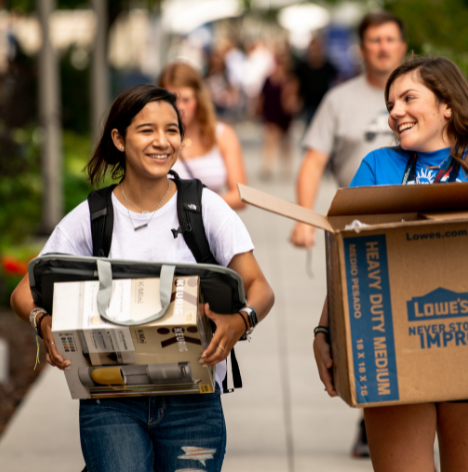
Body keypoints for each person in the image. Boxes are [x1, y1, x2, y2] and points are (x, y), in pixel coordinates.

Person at [10, 84, 275, 472]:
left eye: (172, 130)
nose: (162, 141)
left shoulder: (204, 208)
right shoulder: (94, 216)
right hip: (110, 402)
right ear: (119, 139)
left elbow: (259, 287)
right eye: (147, 130)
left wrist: (241, 321)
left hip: (194, 404)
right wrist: (43, 322)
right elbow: (23, 292)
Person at [313, 56, 468, 472]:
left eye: (409, 98)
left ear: (448, 104)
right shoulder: (378, 166)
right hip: (390, 349)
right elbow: (349, 259)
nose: (396, 113)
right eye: (390, 104)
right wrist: (325, 330)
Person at [290, 11, 408, 458]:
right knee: (366, 326)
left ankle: (399, 418)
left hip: (411, 232)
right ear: (362, 49)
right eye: (374, 40)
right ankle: (372, 417)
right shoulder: (340, 100)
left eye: (390, 39)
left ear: (402, 46)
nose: (382, 47)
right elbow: (313, 162)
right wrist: (303, 218)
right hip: (358, 232)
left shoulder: (421, 95)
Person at [158, 62, 247, 211]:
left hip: (209, 228)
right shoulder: (154, 138)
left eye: (186, 100)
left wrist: (197, 204)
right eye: (171, 100)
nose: (179, 108)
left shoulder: (223, 135)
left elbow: (240, 195)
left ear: (199, 99)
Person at [258, 48, 299, 180]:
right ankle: (267, 167)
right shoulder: (269, 79)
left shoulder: (290, 80)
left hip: (284, 115)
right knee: (270, 142)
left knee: (285, 143)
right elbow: (262, 96)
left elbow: (292, 99)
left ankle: (285, 169)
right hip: (271, 113)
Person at [294, 36, 338, 128]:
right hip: (308, 104)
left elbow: (337, 80)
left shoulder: (327, 66)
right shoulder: (303, 67)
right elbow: (296, 83)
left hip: (324, 104)